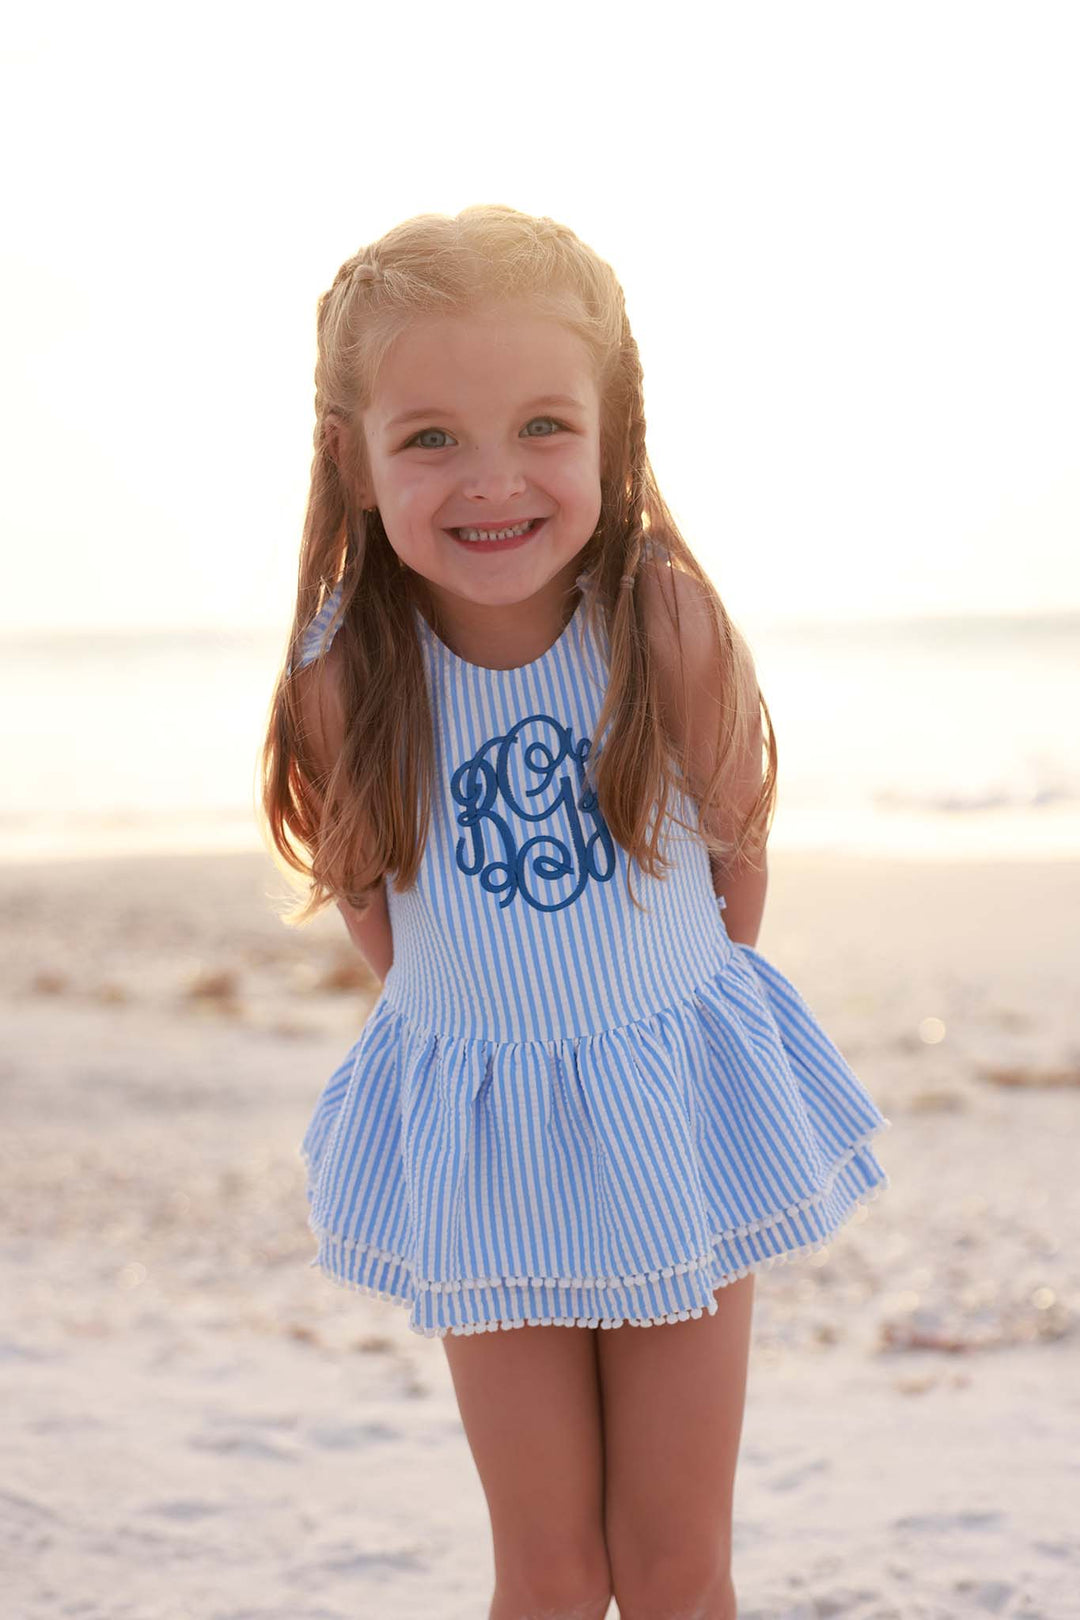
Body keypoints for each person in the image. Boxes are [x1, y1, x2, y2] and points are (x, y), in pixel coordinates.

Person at [258, 204, 891, 1620]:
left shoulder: (661, 629)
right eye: (430, 437)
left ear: (615, 436)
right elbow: (382, 915)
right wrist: (493, 1028)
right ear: (352, 460)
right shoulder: (347, 679)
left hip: (668, 1106)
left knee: (674, 1571)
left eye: (545, 425)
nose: (494, 480)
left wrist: (640, 1029)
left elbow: (737, 863)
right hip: (488, 1143)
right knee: (547, 1571)